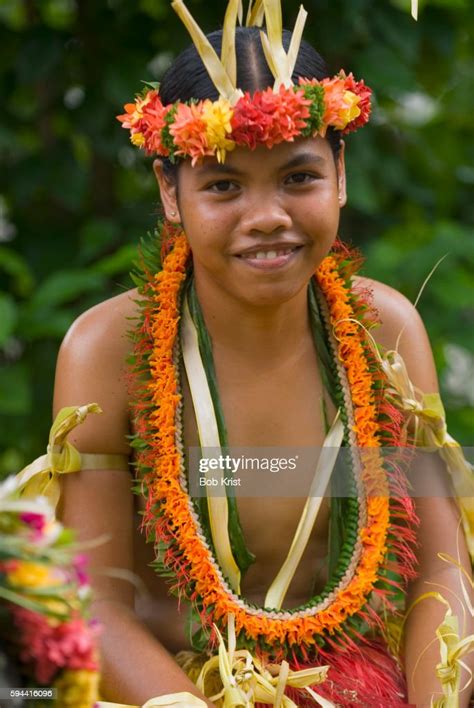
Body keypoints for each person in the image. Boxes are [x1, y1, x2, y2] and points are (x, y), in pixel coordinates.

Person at [52, 1, 473, 705]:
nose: (267, 216)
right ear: (170, 193)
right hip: (173, 688)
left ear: (339, 173)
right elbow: (94, 606)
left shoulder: (386, 330)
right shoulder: (104, 353)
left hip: (365, 680)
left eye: (297, 177)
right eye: (222, 185)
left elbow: (441, 571)